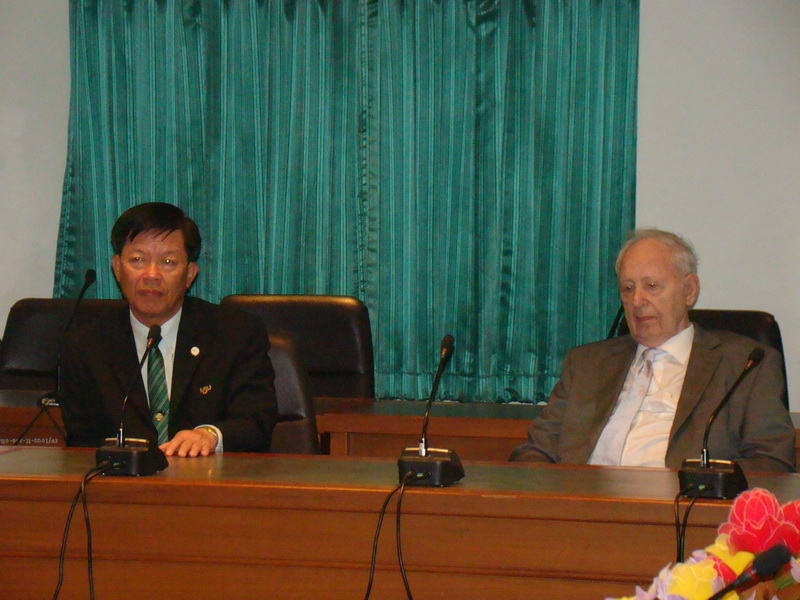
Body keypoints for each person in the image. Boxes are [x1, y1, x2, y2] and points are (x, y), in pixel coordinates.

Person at [510, 229, 795, 473]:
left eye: (651, 286)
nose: (637, 301)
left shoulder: (746, 364)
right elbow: (535, 451)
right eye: (628, 288)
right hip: (582, 506)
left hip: (681, 510)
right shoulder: (586, 364)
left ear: (689, 290)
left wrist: (709, 486)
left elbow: (772, 461)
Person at [60, 202, 278, 457]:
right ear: (117, 268)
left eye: (167, 262)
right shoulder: (86, 343)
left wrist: (210, 435)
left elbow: (256, 422)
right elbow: (82, 440)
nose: (151, 275)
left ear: (190, 274)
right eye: (138, 260)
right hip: (121, 480)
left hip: (211, 478)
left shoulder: (235, 334)